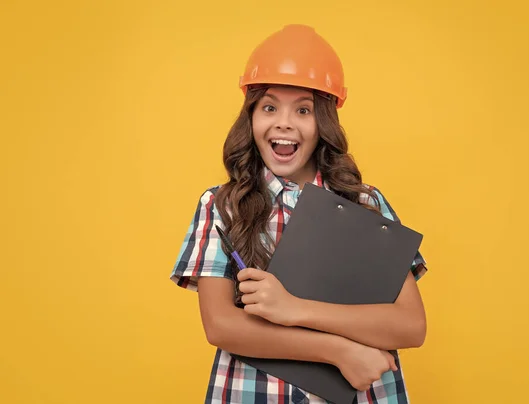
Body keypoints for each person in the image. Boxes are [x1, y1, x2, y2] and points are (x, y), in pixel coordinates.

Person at [170, 24, 428, 404]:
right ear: (251, 118)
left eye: (303, 110)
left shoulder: (365, 202)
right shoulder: (221, 205)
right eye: (269, 107)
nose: (284, 122)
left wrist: (292, 308)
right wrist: (339, 351)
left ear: (323, 123)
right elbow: (222, 326)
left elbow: (411, 326)